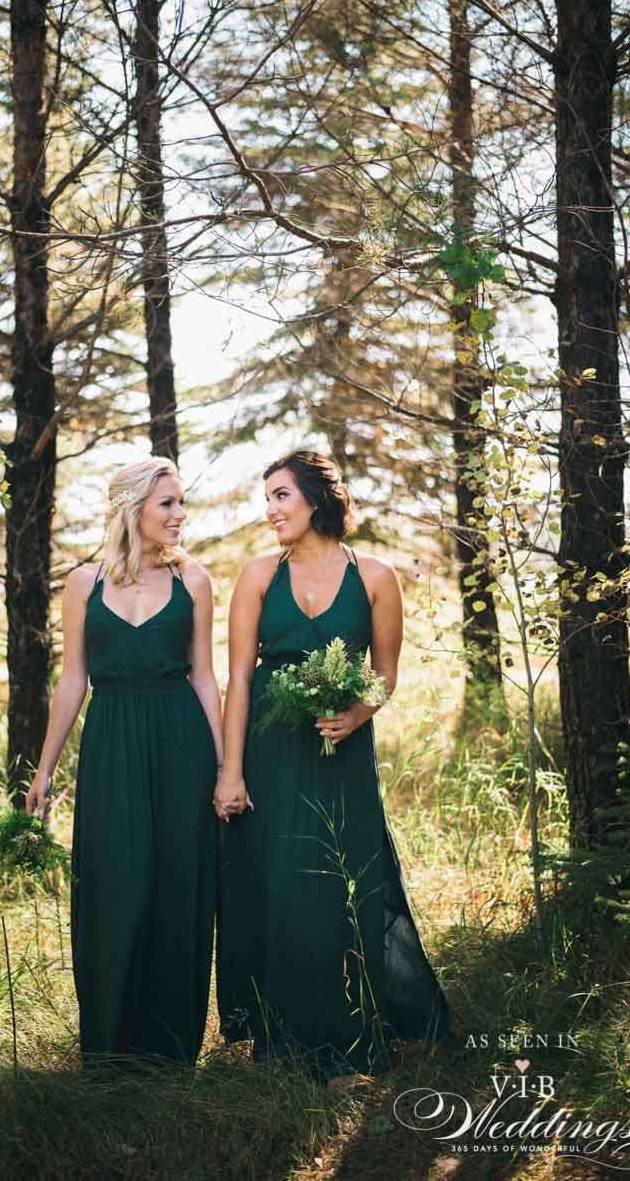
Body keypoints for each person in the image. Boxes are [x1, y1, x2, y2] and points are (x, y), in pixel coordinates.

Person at [213, 449, 451, 1083]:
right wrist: (230, 771)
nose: (270, 511)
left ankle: (351, 1038)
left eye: (281, 496)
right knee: (284, 887)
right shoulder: (257, 576)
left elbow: (386, 675)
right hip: (269, 753)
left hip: (343, 755)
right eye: (267, 499)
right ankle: (285, 1042)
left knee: (345, 888)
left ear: (316, 499)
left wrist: (357, 714)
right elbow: (237, 679)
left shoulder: (374, 575)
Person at [26, 457, 223, 1067]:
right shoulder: (85, 583)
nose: (179, 515)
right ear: (132, 507)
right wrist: (45, 768)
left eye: (181, 502)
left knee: (177, 888)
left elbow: (205, 679)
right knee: (114, 888)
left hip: (181, 748)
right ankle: (109, 1049)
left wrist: (226, 769)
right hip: (110, 748)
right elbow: (72, 681)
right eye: (167, 503)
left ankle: (168, 1052)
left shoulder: (195, 580)